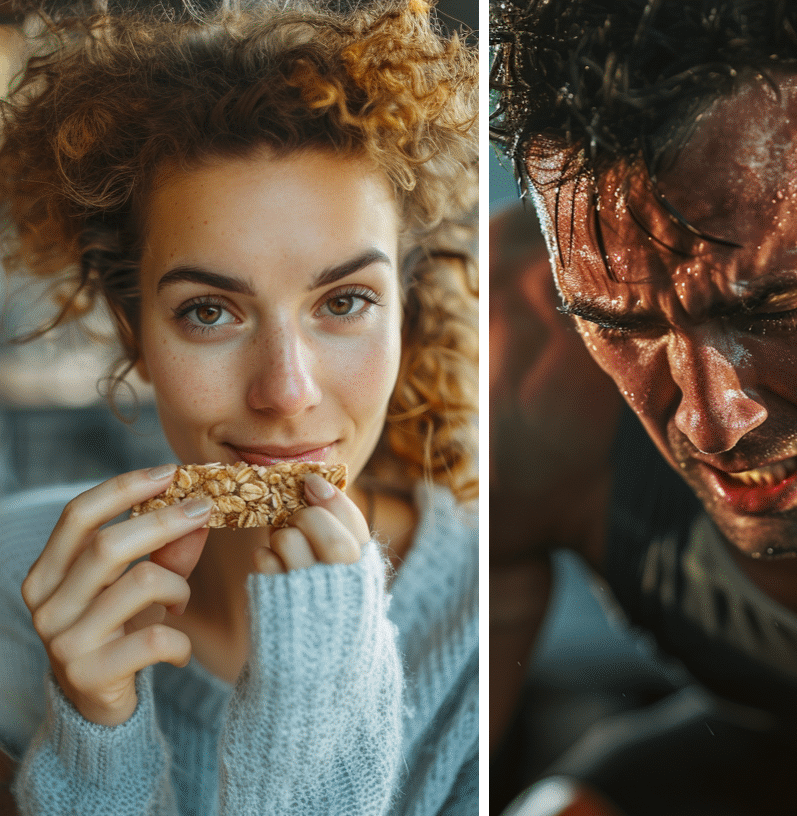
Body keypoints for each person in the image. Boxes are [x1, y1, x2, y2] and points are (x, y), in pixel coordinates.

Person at [489, 1, 797, 814]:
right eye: (619, 325)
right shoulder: (514, 364)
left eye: (778, 307)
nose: (712, 424)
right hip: (757, 760)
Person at [0, 1, 479, 813]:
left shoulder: (477, 630)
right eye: (210, 312)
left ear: (409, 308)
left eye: (346, 301)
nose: (285, 392)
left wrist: (317, 716)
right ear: (133, 331)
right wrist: (91, 742)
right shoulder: (15, 584)